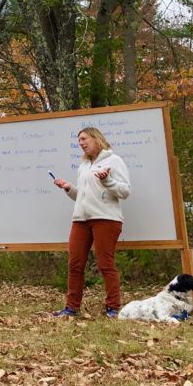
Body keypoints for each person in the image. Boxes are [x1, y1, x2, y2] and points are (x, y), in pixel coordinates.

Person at [52, 127, 132, 318]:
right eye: (78, 140)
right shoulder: (83, 166)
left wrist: (108, 181)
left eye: (84, 139)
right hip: (81, 219)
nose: (80, 143)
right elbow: (82, 196)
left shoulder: (114, 161)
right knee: (75, 264)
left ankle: (113, 307)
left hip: (106, 219)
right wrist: (69, 188)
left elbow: (125, 191)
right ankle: (72, 308)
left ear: (96, 139)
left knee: (105, 264)